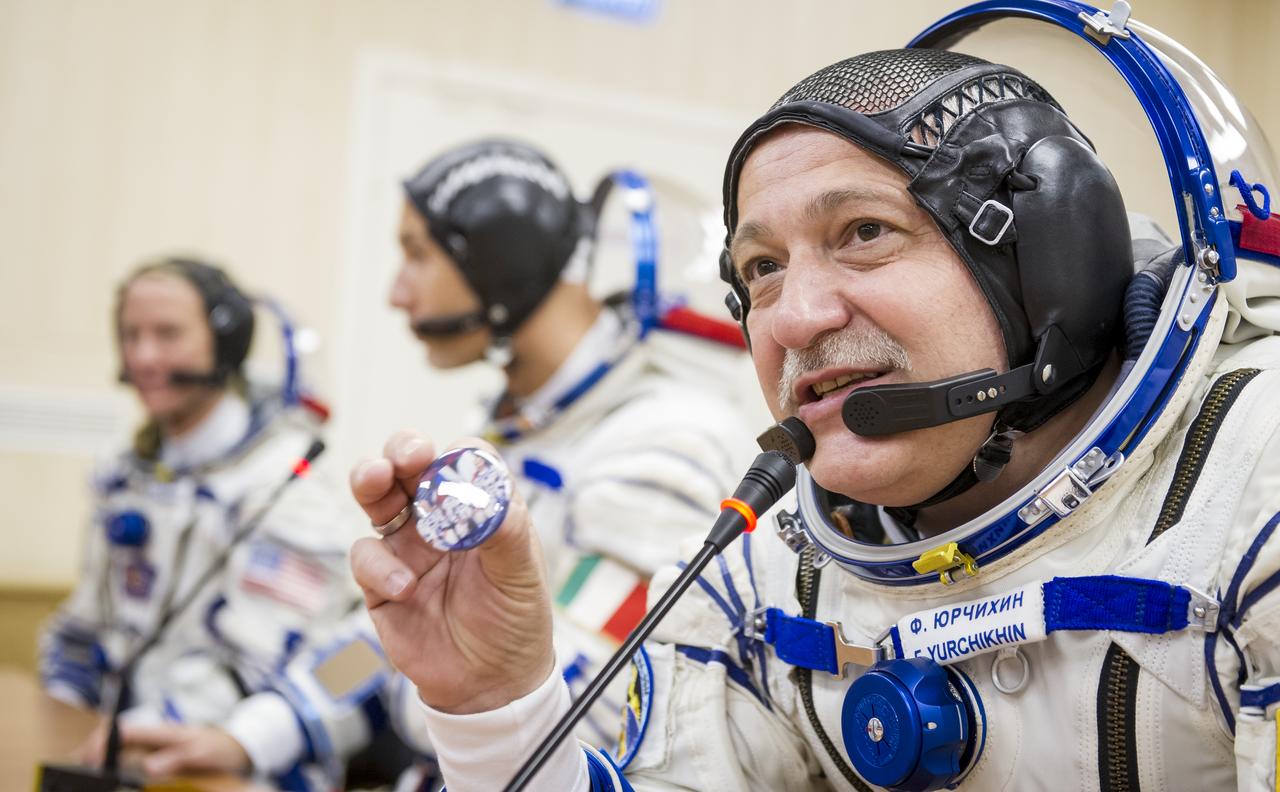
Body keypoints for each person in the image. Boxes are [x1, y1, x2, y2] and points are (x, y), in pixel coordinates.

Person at [348, 42, 1280, 792]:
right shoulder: (765, 573)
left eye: (864, 234)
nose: (794, 317)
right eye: (761, 270)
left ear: (1051, 264)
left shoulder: (1253, 488)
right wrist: (496, 704)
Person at [176, 140, 758, 788]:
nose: (398, 292)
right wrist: (253, 735)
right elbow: (392, 648)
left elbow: (575, 710)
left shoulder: (666, 441)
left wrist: (417, 688)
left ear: (498, 265)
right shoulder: (524, 422)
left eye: (418, 254)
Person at [39, 257, 359, 787]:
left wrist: (138, 732)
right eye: (130, 335)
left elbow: (258, 670)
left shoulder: (288, 484)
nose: (143, 356)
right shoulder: (127, 476)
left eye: (167, 334)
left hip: (239, 767)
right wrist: (65, 707)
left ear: (225, 343)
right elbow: (83, 628)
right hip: (117, 752)